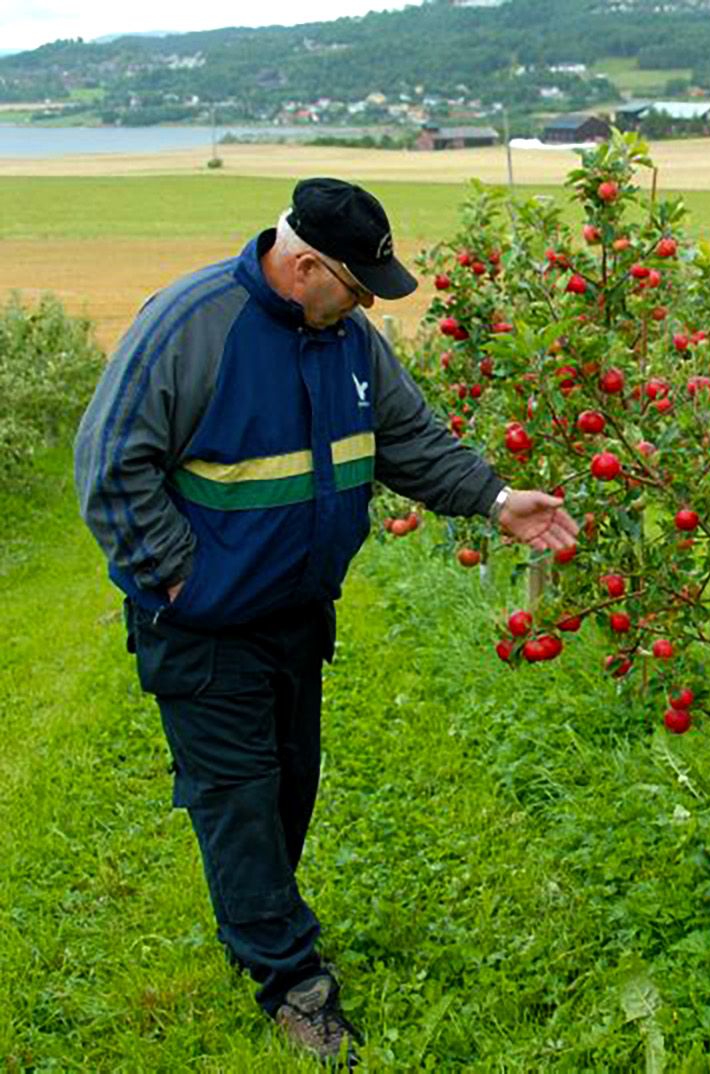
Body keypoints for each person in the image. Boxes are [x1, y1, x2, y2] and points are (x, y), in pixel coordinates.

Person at [72, 177, 577, 1065]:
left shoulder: (346, 339)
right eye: (355, 286)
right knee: (239, 803)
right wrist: (181, 583)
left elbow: (410, 441)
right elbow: (111, 465)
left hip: (299, 617)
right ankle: (292, 981)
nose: (366, 305)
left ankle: (257, 920)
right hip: (206, 628)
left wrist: (497, 500)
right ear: (303, 265)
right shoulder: (192, 326)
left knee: (288, 788)